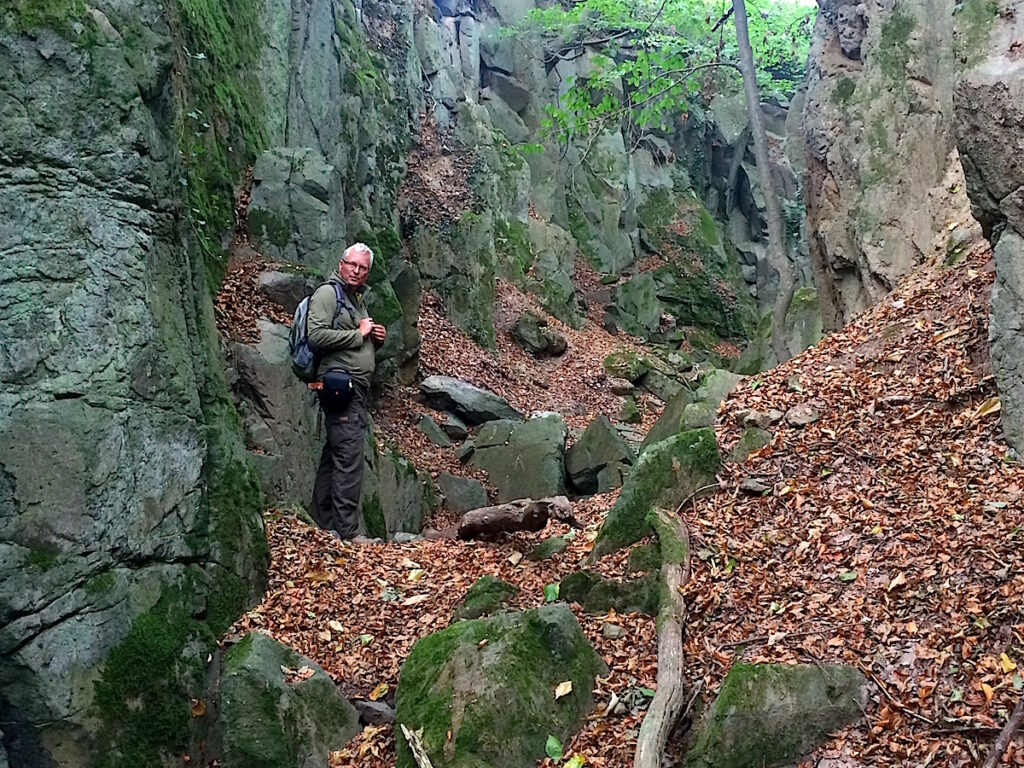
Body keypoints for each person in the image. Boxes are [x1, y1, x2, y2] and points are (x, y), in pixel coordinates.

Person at [307, 242, 386, 542]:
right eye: (352, 264)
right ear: (341, 264)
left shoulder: (355, 299)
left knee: (336, 454)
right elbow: (315, 335)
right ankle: (348, 533)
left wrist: (375, 338)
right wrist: (359, 334)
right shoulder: (329, 293)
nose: (356, 270)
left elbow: (356, 338)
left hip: (353, 387)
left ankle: (324, 524)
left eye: (363, 268)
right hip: (341, 387)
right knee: (349, 458)